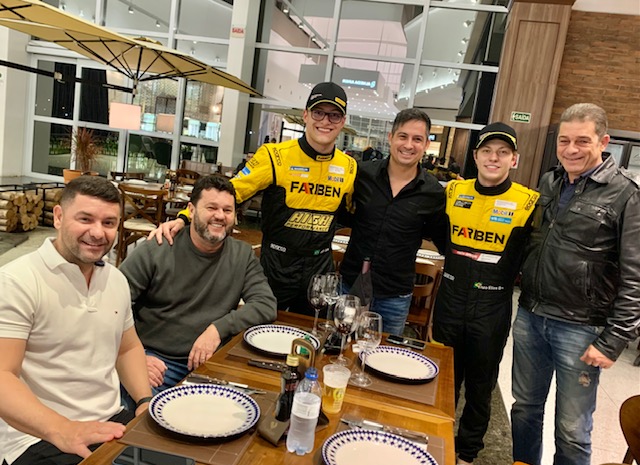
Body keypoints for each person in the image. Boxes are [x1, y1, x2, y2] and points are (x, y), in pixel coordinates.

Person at [512, 103, 640, 465]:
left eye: (582, 141)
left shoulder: (626, 195)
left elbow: (636, 276)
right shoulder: (550, 182)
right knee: (525, 411)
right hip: (532, 316)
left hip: (581, 329)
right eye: (564, 141)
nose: (571, 149)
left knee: (571, 431)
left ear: (604, 141)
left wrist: (613, 340)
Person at [150, 82, 357, 314]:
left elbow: (356, 214)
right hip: (277, 263)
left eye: (334, 116)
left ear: (343, 121)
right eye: (319, 112)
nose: (325, 121)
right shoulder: (274, 155)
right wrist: (184, 218)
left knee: (312, 336)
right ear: (306, 115)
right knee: (261, 330)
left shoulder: (349, 166)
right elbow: (228, 193)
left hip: (320, 268)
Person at [0, 176, 151, 465]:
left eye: (109, 222)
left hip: (111, 421)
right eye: (85, 219)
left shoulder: (116, 279)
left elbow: (128, 348)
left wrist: (144, 401)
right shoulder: (17, 281)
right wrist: (64, 429)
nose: (98, 232)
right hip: (35, 438)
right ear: (58, 217)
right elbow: (3, 374)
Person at [431, 122, 539, 465]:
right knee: (443, 382)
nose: (494, 158)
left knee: (480, 388)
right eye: (487, 151)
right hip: (449, 301)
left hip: (491, 309)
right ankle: (437, 441)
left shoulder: (528, 202)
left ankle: (466, 458)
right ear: (475, 156)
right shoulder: (453, 192)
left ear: (514, 159)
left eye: (502, 152)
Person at [120, 175, 277, 392]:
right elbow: (111, 306)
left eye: (227, 210)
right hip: (156, 361)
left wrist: (217, 329)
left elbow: (265, 304)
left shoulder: (241, 255)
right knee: (143, 415)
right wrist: (133, 356)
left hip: (210, 363)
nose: (220, 216)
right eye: (211, 207)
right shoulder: (157, 248)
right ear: (191, 211)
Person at [339, 108, 447, 334]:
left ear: (426, 144)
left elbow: (442, 240)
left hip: (395, 297)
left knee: (383, 362)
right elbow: (340, 215)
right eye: (403, 136)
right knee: (339, 350)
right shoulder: (361, 175)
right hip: (350, 286)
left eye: (417, 139)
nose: (409, 145)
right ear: (391, 138)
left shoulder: (433, 192)